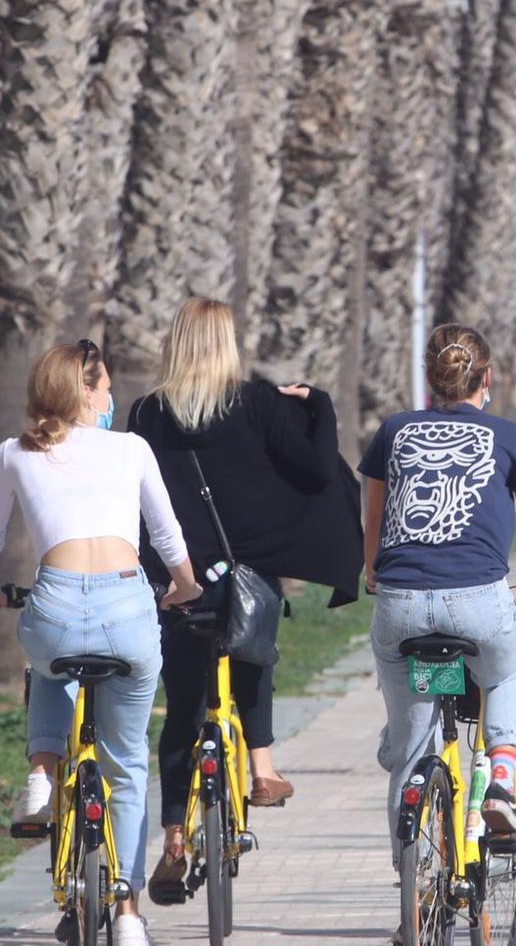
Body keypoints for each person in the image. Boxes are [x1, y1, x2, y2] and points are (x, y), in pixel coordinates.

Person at [128, 297, 363, 901]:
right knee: (252, 656)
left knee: (183, 708)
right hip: (245, 574)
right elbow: (316, 471)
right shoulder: (257, 402)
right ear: (227, 344)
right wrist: (320, 405)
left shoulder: (147, 413)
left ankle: (174, 838)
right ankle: (262, 768)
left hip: (178, 581)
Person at [0, 340, 201, 946]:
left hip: (55, 602)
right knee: (126, 768)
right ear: (87, 391)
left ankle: (42, 777)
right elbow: (167, 534)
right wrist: (184, 586)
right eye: (104, 387)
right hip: (128, 605)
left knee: (47, 668)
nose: (110, 397)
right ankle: (127, 916)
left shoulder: (15, 452)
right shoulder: (131, 447)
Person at [362, 324, 516, 846]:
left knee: (410, 746)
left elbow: (374, 519)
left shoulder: (393, 430)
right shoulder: (510, 437)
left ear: (429, 379)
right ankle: (501, 781)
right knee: (510, 672)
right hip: (477, 602)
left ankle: (413, 895)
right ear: (485, 379)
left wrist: (374, 572)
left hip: (400, 604)